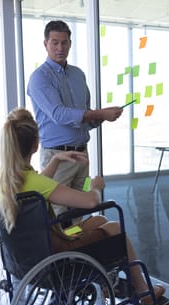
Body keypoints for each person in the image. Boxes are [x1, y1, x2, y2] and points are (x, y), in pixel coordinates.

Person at [0, 108, 165, 305]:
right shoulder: (34, 182)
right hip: (56, 254)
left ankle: (105, 282)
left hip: (27, 257)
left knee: (99, 221)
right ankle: (145, 293)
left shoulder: (2, 178)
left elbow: (37, 184)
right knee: (115, 227)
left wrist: (56, 159)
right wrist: (96, 187)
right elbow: (90, 202)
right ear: (35, 144)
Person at [27, 20, 123, 215]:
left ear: (70, 43)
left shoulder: (78, 75)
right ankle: (65, 246)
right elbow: (59, 114)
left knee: (79, 213)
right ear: (45, 44)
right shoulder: (40, 77)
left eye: (64, 42)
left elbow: (84, 116)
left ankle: (77, 246)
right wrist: (100, 113)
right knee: (59, 214)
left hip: (82, 155)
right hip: (57, 157)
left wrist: (103, 116)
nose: (60, 48)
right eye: (55, 42)